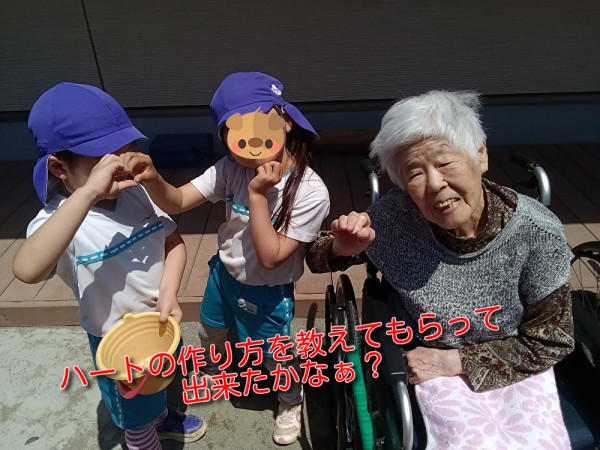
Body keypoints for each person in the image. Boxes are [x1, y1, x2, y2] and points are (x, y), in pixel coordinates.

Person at [306, 91, 575, 448]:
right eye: (415, 172)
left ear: (480, 155)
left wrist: (454, 361)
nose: (434, 184)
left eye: (445, 162)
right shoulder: (396, 218)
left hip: (510, 361)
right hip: (419, 361)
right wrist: (342, 247)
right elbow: (317, 258)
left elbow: (552, 340)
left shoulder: (537, 233)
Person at [122, 72, 331, 445]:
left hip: (268, 290)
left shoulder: (310, 191)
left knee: (274, 355)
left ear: (285, 121)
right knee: (210, 329)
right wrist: (153, 178)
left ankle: (290, 400)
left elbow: (271, 258)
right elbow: (179, 200)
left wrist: (257, 195)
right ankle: (216, 370)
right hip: (224, 274)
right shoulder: (231, 168)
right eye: (236, 135)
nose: (250, 146)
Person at [12, 83, 206, 450]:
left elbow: (173, 242)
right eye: (104, 160)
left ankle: (161, 416)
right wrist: (88, 193)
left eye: (126, 150)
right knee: (134, 416)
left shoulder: (138, 194)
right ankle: (143, 435)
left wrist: (168, 292)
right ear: (59, 167)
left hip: (159, 324)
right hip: (115, 343)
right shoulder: (61, 221)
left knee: (158, 385)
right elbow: (27, 269)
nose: (120, 165)